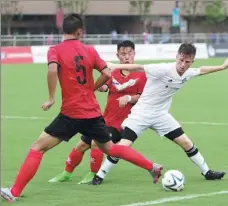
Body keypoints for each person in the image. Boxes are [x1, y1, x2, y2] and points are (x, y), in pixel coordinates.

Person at [1, 14, 162, 203]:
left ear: (63, 31)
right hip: (92, 113)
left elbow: (52, 70)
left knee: (38, 147)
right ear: (80, 31)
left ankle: (14, 192)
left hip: (71, 113)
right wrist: (92, 87)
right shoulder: (89, 50)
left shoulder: (55, 50)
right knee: (111, 148)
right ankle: (152, 167)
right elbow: (108, 72)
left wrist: (51, 97)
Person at [91, 43, 227, 185]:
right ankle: (99, 176)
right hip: (141, 114)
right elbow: (139, 67)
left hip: (161, 116)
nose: (182, 64)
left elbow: (202, 70)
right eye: (181, 60)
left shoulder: (188, 72)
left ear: (191, 62)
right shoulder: (163, 69)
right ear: (176, 57)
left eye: (187, 62)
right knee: (123, 145)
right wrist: (114, 66)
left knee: (186, 142)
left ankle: (207, 172)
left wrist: (222, 67)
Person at [48, 40, 147, 184]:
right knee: (81, 145)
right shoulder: (112, 73)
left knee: (96, 143)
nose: (127, 57)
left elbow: (144, 97)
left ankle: (94, 174)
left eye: (130, 53)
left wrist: (129, 97)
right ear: (118, 55)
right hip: (104, 120)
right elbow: (104, 87)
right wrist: (98, 85)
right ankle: (66, 173)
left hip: (123, 123)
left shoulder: (142, 75)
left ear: (134, 54)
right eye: (123, 53)